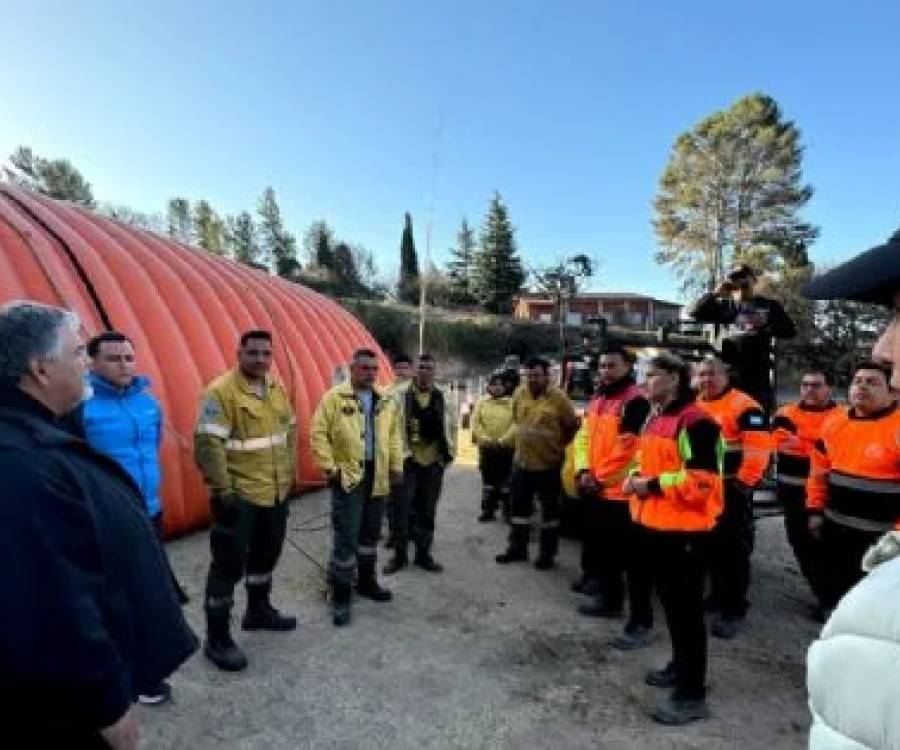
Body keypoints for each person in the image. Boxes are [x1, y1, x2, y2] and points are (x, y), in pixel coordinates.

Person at [0, 301, 197, 749]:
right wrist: (106, 701)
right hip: (63, 711)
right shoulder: (22, 463)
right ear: (40, 370)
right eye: (77, 353)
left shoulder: (37, 435)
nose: (86, 364)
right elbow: (53, 602)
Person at [66, 330, 188, 705]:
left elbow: (149, 451)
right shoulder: (79, 408)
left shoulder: (148, 404)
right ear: (92, 362)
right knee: (116, 598)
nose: (123, 365)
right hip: (106, 517)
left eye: (128, 358)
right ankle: (127, 676)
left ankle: (147, 667)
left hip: (147, 510)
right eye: (113, 358)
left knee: (147, 592)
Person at [623, 353, 724, 726]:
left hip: (685, 533)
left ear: (675, 379)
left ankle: (692, 693)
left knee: (686, 613)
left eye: (651, 375)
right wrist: (634, 478)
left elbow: (702, 483)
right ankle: (681, 668)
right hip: (656, 527)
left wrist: (649, 485)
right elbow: (645, 460)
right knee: (673, 608)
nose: (644, 381)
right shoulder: (656, 417)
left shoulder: (696, 422)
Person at [194, 329, 298, 672]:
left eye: (266, 354)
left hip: (275, 491)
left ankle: (258, 611)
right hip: (239, 496)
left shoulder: (275, 387)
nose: (260, 360)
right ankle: (217, 638)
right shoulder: (220, 392)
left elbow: (289, 431)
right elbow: (208, 446)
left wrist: (290, 475)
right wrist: (223, 491)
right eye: (253, 353)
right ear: (239, 353)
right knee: (227, 565)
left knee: (267, 555)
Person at [310, 348, 403, 626]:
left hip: (379, 475)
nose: (371, 373)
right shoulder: (334, 398)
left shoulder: (385, 399)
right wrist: (330, 469)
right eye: (364, 368)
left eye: (374, 369)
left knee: (370, 535)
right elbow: (318, 435)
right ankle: (340, 595)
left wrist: (396, 466)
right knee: (346, 537)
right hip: (349, 476)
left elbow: (394, 435)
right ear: (352, 369)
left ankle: (366, 582)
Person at [572, 347, 654, 650]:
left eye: (611, 366)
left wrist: (598, 477)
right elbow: (583, 437)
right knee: (604, 552)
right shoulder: (598, 399)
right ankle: (610, 602)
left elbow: (629, 449)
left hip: (620, 494)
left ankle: (640, 621)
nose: (605, 371)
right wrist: (583, 469)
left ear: (628, 367)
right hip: (596, 487)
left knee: (631, 562)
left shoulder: (635, 402)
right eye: (602, 366)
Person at [807, 360, 900, 611]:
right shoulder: (835, 423)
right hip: (835, 528)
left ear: (892, 392)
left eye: (872, 382)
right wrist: (815, 510)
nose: (862, 387)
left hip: (881, 537)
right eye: (857, 381)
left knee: (874, 602)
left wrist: (898, 536)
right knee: (834, 586)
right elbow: (818, 472)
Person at [695, 355, 771, 639]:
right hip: (703, 491)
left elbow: (759, 448)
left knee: (733, 551)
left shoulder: (744, 406)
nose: (706, 379)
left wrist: (744, 484)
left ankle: (734, 608)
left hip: (732, 489)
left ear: (726, 375)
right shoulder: (697, 404)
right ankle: (716, 596)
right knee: (710, 547)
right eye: (702, 374)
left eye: (712, 374)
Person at [496, 356, 579, 569]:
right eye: (529, 375)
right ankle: (517, 549)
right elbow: (517, 421)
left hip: (549, 466)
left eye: (537, 375)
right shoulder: (519, 393)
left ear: (546, 376)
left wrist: (556, 448)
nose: (532, 379)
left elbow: (571, 427)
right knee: (519, 511)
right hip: (522, 464)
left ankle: (546, 555)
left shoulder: (560, 399)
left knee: (549, 514)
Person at [771, 369, 839, 618]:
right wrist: (821, 445)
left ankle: (830, 599)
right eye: (805, 385)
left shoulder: (841, 416)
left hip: (828, 493)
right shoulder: (786, 413)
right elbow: (781, 441)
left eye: (816, 385)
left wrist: (806, 444)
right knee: (800, 542)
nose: (809, 389)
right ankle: (825, 595)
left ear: (828, 388)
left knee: (829, 546)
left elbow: (837, 449)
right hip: (793, 492)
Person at [689, 263, 796, 415]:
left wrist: (767, 324)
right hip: (726, 376)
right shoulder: (722, 306)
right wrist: (715, 294)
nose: (741, 283)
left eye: (745, 278)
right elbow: (694, 313)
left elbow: (789, 331)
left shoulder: (769, 305)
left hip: (757, 376)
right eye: (736, 278)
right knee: (724, 420)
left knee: (755, 421)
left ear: (754, 280)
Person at [384, 353, 457, 574]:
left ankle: (423, 555)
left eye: (429, 368)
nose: (425, 372)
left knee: (427, 510)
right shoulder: (398, 394)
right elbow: (388, 429)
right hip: (407, 461)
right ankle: (399, 556)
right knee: (401, 511)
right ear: (414, 370)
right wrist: (393, 461)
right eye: (421, 367)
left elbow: (452, 426)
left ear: (435, 371)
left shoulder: (445, 395)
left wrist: (449, 455)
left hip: (433, 461)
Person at [470, 372, 514, 523]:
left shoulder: (512, 403)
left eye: (500, 384)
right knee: (488, 481)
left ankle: (508, 512)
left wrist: (503, 440)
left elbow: (516, 424)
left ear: (505, 387)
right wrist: (485, 439)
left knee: (506, 482)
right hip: (487, 448)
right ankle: (488, 510)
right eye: (493, 384)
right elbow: (475, 423)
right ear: (488, 387)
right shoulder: (482, 402)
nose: (496, 387)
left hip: (507, 449)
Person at [383, 352, 414, 548]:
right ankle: (394, 533)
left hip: (414, 453)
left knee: (411, 497)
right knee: (392, 497)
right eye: (398, 367)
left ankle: (410, 531)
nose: (402, 371)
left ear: (411, 370)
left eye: (405, 367)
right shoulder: (386, 392)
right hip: (393, 452)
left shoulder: (418, 391)